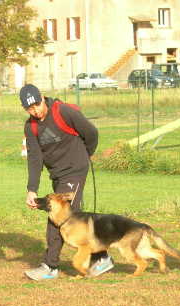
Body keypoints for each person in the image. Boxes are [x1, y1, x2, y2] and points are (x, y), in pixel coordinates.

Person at [21, 83, 113, 281]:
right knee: (75, 219)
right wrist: (31, 189)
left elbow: (91, 133)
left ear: (42, 98)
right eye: (30, 108)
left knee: (57, 215)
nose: (35, 110)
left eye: (37, 104)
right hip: (58, 174)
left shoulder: (62, 111)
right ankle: (101, 257)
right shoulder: (31, 127)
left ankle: (50, 266)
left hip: (75, 170)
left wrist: (84, 155)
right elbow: (35, 159)